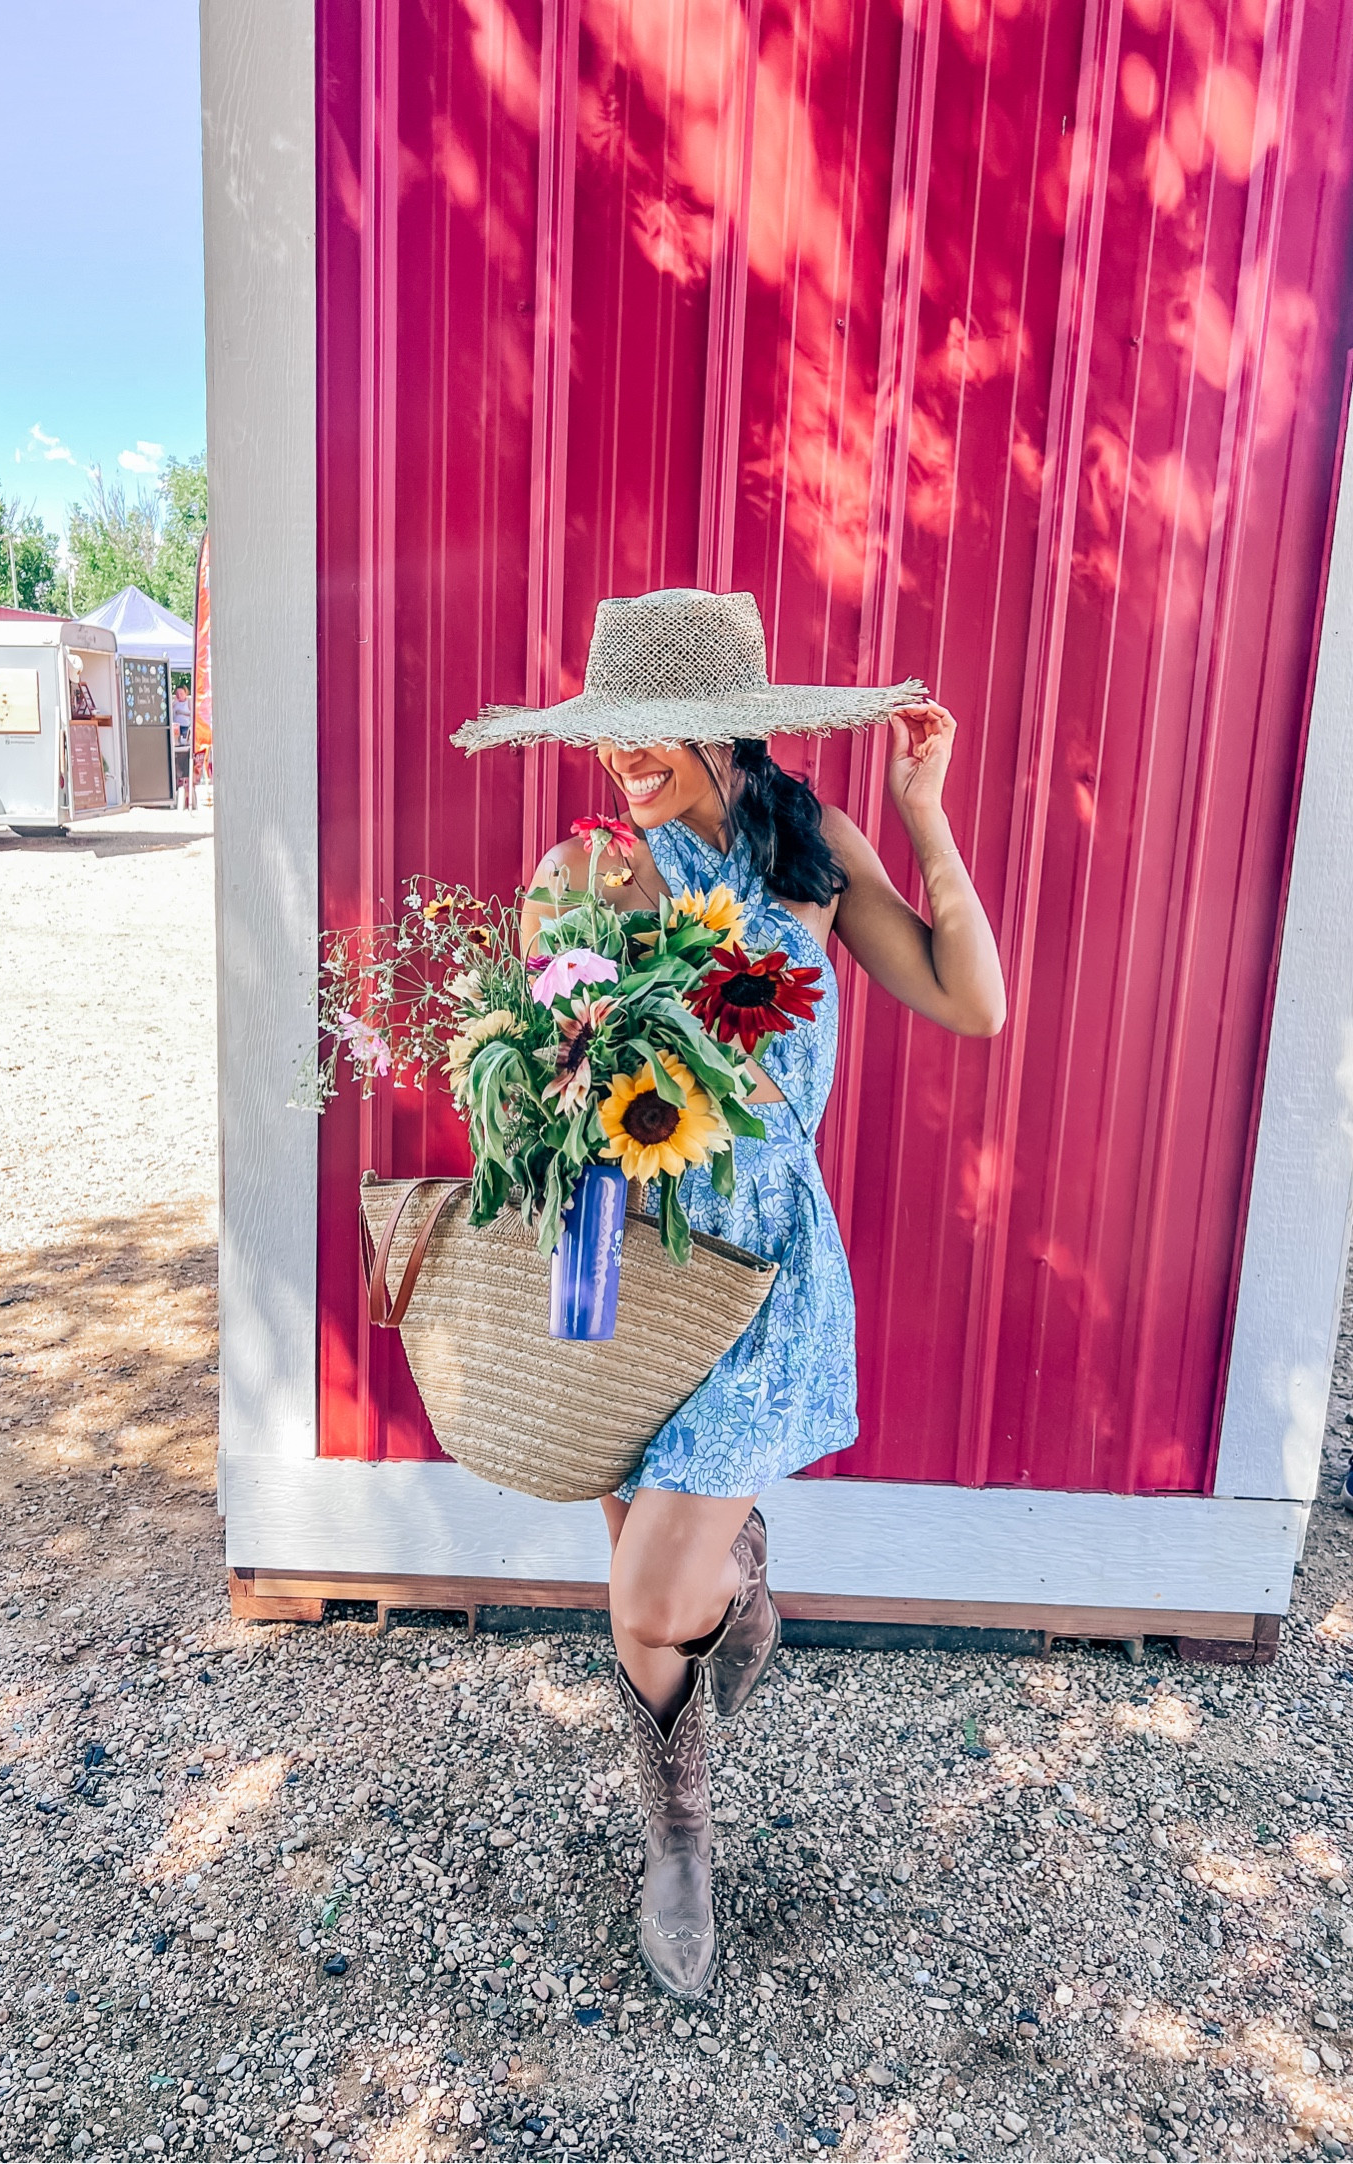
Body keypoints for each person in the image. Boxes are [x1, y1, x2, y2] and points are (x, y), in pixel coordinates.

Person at [456, 588, 1006, 2001]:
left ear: (727, 726)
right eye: (609, 731)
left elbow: (972, 1002)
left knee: (656, 1594)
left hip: (759, 1267)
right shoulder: (587, 871)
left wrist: (926, 815)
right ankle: (681, 1830)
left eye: (652, 729)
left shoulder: (809, 847)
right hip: (622, 1258)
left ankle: (738, 1600)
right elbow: (546, 1091)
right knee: (636, 1579)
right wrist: (555, 1055)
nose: (623, 757)